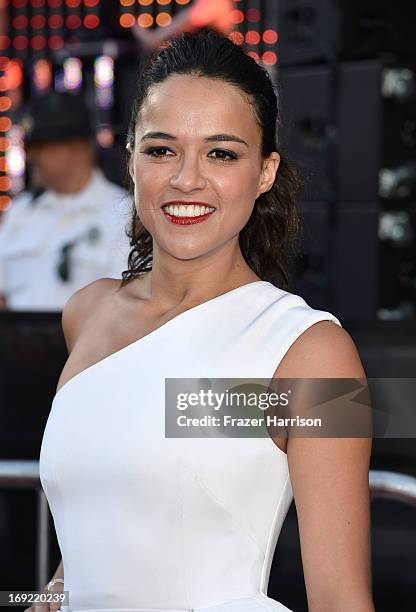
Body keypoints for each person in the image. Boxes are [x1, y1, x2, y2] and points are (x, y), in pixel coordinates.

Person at [33, 29, 375, 612]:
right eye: (162, 149)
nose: (187, 179)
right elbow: (98, 540)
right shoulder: (86, 313)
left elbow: (341, 597)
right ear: (132, 159)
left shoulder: (313, 353)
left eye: (222, 153)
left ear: (265, 172)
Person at [0, 92, 130, 311]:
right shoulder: (19, 214)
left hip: (93, 345)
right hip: (17, 343)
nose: (31, 157)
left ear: (76, 147)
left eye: (40, 147)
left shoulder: (124, 215)